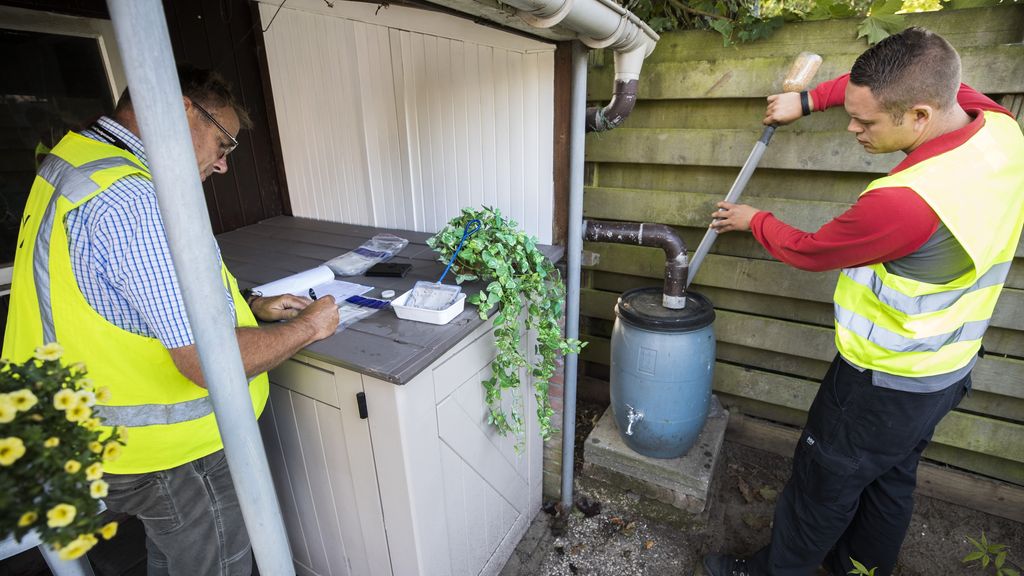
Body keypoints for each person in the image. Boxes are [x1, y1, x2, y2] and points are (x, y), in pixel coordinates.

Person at [701, 27, 1024, 576]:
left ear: (919, 115)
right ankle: (861, 567)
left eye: (866, 121)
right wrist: (807, 100)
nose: (852, 128)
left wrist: (755, 220)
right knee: (890, 477)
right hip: (945, 371)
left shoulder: (904, 203)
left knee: (819, 488)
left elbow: (810, 251)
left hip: (880, 383)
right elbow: (899, 83)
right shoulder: (999, 128)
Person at [2, 66, 340, 575]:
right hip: (171, 453)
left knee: (171, 556)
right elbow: (210, 363)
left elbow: (117, 299)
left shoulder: (74, 164)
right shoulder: (136, 200)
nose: (224, 166)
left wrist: (250, 307)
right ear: (183, 110)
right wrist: (308, 327)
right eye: (224, 144)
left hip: (84, 430)